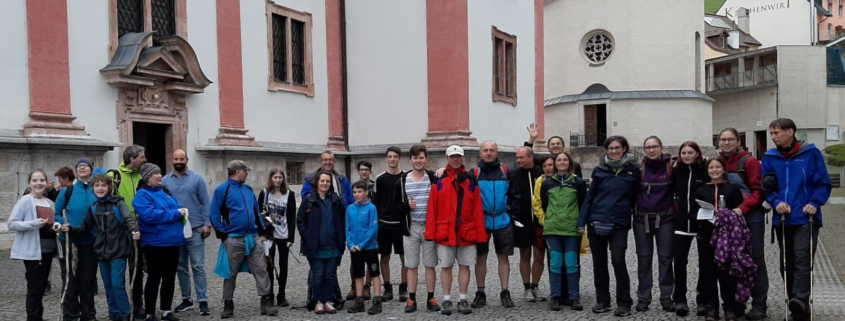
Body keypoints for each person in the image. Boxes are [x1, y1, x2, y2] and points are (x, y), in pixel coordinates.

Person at [761, 118, 832, 321]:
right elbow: (766, 186)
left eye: (776, 133)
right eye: (771, 133)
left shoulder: (811, 153)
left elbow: (824, 183)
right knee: (787, 263)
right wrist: (775, 202)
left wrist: (815, 202)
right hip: (783, 218)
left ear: (790, 132)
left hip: (806, 218)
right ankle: (796, 307)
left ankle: (800, 300)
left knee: (802, 259)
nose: (773, 137)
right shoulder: (769, 156)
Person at [577, 136, 639, 317]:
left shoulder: (633, 171)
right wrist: (582, 221)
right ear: (606, 150)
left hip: (619, 222)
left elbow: (635, 196)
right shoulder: (599, 170)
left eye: (617, 148)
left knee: (618, 260)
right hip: (597, 220)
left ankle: (624, 303)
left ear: (624, 148)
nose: (613, 151)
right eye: (610, 148)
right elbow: (590, 197)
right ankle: (602, 301)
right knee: (599, 263)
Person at [64, 174, 139, 321]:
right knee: (108, 286)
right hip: (102, 251)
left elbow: (127, 220)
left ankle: (124, 314)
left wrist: (134, 231)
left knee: (117, 284)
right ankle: (113, 313)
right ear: (93, 188)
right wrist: (70, 229)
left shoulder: (119, 204)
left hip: (118, 250)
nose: (100, 188)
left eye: (103, 185)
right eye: (97, 186)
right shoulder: (93, 207)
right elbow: (85, 227)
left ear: (109, 187)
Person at [210, 160, 279, 319]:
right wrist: (224, 236)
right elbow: (214, 214)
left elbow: (256, 212)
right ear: (237, 171)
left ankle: (266, 301)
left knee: (261, 269)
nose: (247, 173)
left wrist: (262, 233)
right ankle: (228, 304)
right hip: (233, 239)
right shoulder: (222, 190)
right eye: (245, 171)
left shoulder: (248, 189)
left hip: (253, 237)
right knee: (230, 273)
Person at [425, 145, 488, 315]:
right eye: (452, 156)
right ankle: (446, 300)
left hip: (466, 231)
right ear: (447, 158)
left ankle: (462, 298)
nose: (455, 159)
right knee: (446, 266)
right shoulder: (438, 179)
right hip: (445, 231)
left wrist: (480, 234)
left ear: (463, 158)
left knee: (465, 266)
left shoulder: (470, 180)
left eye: (458, 156)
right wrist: (431, 232)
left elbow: (477, 209)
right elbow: (432, 208)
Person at [716, 128, 769, 319]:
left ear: (738, 141)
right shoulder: (718, 162)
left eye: (730, 139)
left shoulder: (750, 161)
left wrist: (743, 208)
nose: (726, 142)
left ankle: (759, 305)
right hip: (729, 220)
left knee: (755, 260)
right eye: (723, 139)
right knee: (731, 261)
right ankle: (736, 304)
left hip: (751, 217)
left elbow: (758, 190)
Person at [694, 158, 749, 321]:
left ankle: (730, 306)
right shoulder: (701, 190)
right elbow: (692, 212)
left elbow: (739, 212)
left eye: (718, 167)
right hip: (706, 236)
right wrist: (704, 215)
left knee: (727, 273)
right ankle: (712, 306)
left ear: (724, 169)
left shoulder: (732, 189)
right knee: (707, 272)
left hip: (727, 238)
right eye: (711, 167)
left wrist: (726, 215)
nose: (714, 170)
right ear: (707, 170)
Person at [390, 144, 440, 313]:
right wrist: (406, 206)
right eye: (415, 158)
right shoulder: (402, 181)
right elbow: (394, 206)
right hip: (410, 228)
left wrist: (442, 170)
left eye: (421, 157)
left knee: (430, 264)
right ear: (410, 160)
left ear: (426, 159)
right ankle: (411, 299)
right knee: (411, 265)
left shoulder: (433, 177)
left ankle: (430, 298)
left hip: (429, 227)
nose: (418, 161)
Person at [133, 163, 186, 321]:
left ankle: (166, 310)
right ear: (148, 177)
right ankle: (150, 312)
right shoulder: (142, 195)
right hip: (154, 243)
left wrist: (178, 212)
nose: (160, 176)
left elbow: (178, 207)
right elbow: (150, 215)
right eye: (156, 173)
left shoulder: (165, 192)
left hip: (173, 242)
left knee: (169, 277)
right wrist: (175, 214)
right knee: (154, 277)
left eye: (160, 172)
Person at [162, 150, 212, 316]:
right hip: (175, 230)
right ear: (172, 159)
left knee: (197, 265)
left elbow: (206, 202)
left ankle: (203, 300)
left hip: (196, 228)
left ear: (187, 160)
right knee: (181, 267)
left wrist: (207, 224)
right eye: (176, 158)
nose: (178, 161)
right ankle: (186, 299)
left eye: (181, 158)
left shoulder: (197, 179)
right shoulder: (164, 181)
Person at [535, 152, 587, 311]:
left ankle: (574, 297)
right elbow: (544, 204)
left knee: (571, 264)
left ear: (570, 163)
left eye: (565, 160)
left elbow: (583, 204)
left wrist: (579, 222)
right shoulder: (547, 183)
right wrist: (550, 219)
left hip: (572, 230)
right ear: (555, 164)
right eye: (559, 160)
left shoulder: (578, 183)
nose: (562, 162)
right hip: (553, 230)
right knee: (555, 264)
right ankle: (555, 297)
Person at [10, 169, 63, 321]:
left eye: (41, 180)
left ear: (46, 183)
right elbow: (12, 224)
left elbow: (54, 222)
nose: (38, 183)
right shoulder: (25, 201)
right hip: (33, 252)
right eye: (35, 180)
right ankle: (33, 318)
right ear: (30, 183)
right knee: (34, 288)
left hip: (48, 250)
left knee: (40, 288)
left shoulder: (50, 203)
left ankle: (37, 317)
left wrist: (57, 226)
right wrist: (34, 223)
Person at [472, 140, 518, 309]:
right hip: (481, 221)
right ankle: (480, 292)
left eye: (492, 150)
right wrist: (439, 171)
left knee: (503, 257)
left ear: (497, 153)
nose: (489, 153)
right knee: (480, 258)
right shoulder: (474, 173)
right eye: (485, 150)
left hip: (502, 220)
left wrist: (512, 216)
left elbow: (514, 196)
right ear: (480, 153)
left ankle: (505, 292)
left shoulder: (506, 172)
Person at [633, 136, 676, 313]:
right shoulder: (638, 169)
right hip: (641, 219)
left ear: (661, 147)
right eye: (648, 147)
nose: (651, 150)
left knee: (666, 259)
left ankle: (666, 297)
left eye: (654, 147)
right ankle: (644, 297)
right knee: (644, 260)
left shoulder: (671, 168)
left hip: (666, 218)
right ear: (644, 150)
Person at [54, 158, 99, 321]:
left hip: (91, 241)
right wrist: (62, 223)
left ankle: (88, 314)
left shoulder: (97, 190)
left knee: (88, 279)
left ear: (91, 170)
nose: (82, 167)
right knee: (71, 279)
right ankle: (71, 315)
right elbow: (57, 212)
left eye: (86, 165)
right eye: (79, 166)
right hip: (70, 241)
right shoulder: (67, 191)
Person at [297, 170, 347, 315]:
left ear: (330, 184)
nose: (325, 183)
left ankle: (328, 301)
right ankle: (317, 301)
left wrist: (341, 238)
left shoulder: (336, 200)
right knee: (318, 275)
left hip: (333, 245)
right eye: (322, 181)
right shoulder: (309, 200)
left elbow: (342, 220)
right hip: (315, 246)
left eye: (327, 181)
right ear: (317, 183)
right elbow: (300, 220)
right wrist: (307, 236)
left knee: (330, 275)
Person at [671, 141, 710, 316]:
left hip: (702, 223)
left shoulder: (705, 170)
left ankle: (702, 299)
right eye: (683, 153)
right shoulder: (676, 171)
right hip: (681, 222)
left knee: (705, 263)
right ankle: (679, 299)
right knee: (679, 261)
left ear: (697, 153)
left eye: (690, 152)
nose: (687, 156)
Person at [110, 144, 147, 319]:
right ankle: (119, 307)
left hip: (137, 229)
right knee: (117, 272)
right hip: (118, 231)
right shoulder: (113, 176)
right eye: (142, 156)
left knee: (136, 270)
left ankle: (137, 305)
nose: (145, 159)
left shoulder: (143, 175)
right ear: (132, 159)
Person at [510, 147, 546, 303]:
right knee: (524, 256)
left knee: (539, 256)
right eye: (517, 157)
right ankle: (526, 288)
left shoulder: (542, 173)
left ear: (531, 158)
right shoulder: (514, 174)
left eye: (521, 157)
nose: (518, 160)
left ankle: (535, 286)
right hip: (522, 221)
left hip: (540, 222)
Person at [257, 168, 297, 307]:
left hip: (284, 235)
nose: (278, 180)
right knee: (269, 265)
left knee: (283, 266)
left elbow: (292, 217)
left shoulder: (289, 194)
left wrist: (291, 238)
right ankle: (269, 294)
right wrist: (262, 233)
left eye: (280, 177)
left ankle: (282, 294)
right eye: (275, 177)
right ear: (271, 178)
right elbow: (259, 214)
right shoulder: (264, 193)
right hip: (269, 235)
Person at [373, 146, 408, 301]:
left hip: (401, 224)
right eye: (390, 157)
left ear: (399, 158)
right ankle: (387, 288)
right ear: (386, 158)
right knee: (384, 257)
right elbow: (376, 203)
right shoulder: (380, 179)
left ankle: (404, 287)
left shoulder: (406, 177)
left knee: (404, 258)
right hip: (384, 223)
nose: (392, 159)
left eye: (395, 156)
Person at [345, 181, 383, 315]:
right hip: (355, 248)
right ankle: (359, 300)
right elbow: (348, 229)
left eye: (359, 191)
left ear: (366, 192)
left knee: (374, 273)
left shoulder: (371, 208)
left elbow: (372, 229)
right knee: (358, 274)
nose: (357, 195)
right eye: (354, 192)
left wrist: (362, 245)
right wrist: (350, 244)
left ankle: (377, 300)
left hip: (369, 247)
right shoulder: (350, 209)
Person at [345, 161, 374, 300]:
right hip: (356, 229)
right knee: (355, 262)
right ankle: (355, 287)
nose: (364, 172)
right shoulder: (354, 186)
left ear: (370, 171)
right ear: (358, 171)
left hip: (370, 227)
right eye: (361, 169)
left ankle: (367, 286)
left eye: (366, 170)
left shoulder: (375, 186)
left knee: (370, 261)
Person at [48, 166, 75, 295]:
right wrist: (64, 223)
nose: (59, 181)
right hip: (66, 235)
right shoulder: (63, 192)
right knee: (66, 267)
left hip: (79, 235)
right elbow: (57, 212)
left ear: (65, 178)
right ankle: (68, 292)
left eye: (60, 178)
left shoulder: (73, 190)